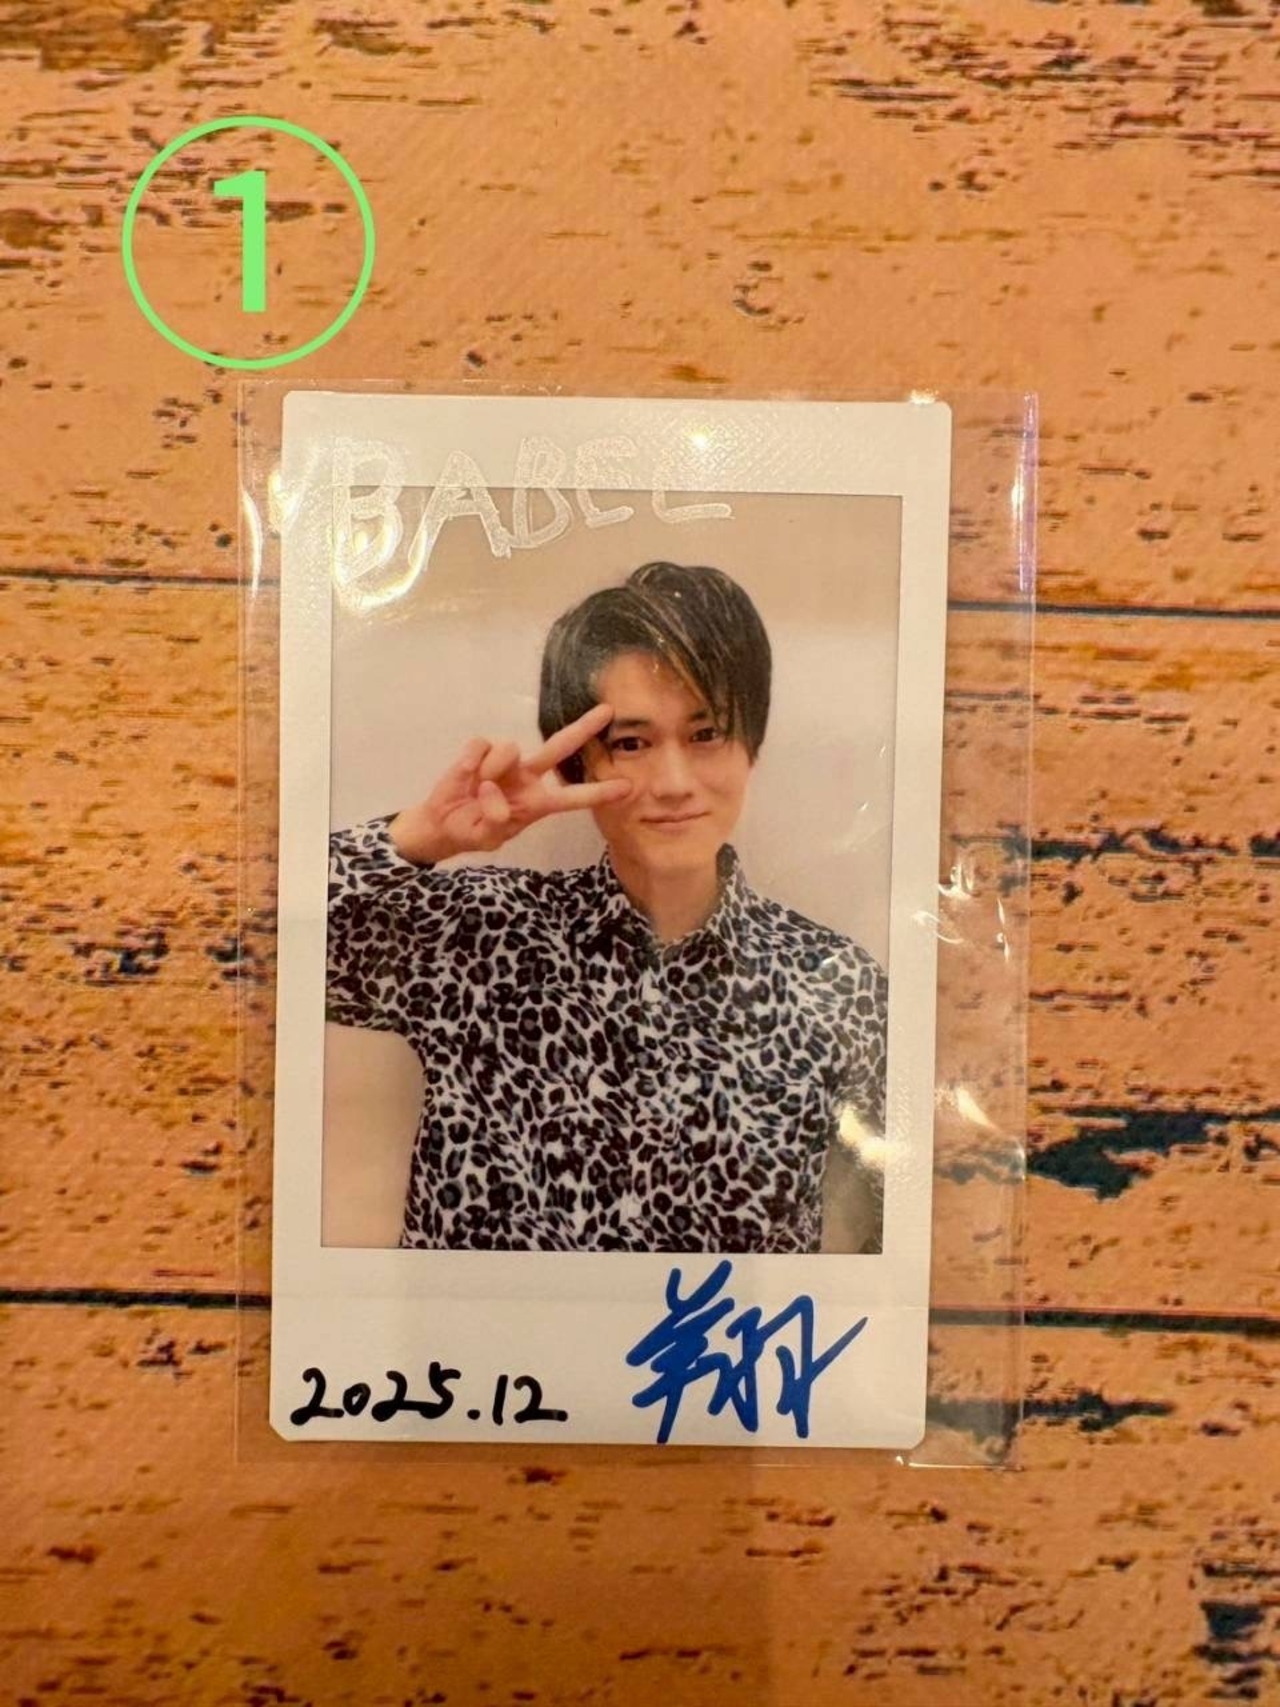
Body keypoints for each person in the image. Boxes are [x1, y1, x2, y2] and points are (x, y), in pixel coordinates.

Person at [326, 561, 887, 1254]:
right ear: (578, 766)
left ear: (751, 747)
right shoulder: (479, 937)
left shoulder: (837, 985)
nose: (674, 783)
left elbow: (896, 1232)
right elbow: (266, 950)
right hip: (482, 1332)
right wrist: (425, 835)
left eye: (706, 733)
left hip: (716, 1331)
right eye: (630, 743)